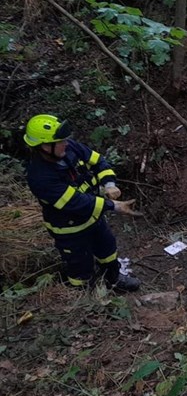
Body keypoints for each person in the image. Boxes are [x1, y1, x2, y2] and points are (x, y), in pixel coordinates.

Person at [24, 114, 142, 292]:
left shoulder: (68, 148)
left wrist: (109, 183)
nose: (66, 143)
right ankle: (85, 296)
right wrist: (114, 206)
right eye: (60, 141)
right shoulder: (40, 177)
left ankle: (114, 279)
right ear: (45, 146)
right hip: (70, 230)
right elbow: (76, 202)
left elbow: (97, 161)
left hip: (94, 218)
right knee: (80, 266)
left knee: (108, 248)